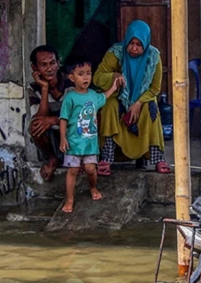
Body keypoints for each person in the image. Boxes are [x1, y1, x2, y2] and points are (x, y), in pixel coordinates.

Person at [93, 20, 170, 175]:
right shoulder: (115, 53)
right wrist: (113, 76)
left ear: (146, 44)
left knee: (152, 108)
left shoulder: (153, 57)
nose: (134, 48)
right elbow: (97, 78)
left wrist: (138, 103)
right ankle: (106, 158)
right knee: (109, 106)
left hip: (142, 99)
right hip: (118, 96)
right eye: (131, 43)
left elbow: (155, 89)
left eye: (139, 44)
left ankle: (157, 158)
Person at [59, 58, 119, 213]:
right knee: (72, 170)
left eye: (88, 73)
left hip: (90, 143)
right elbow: (63, 119)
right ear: (72, 78)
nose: (85, 77)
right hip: (73, 142)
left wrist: (113, 86)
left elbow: (104, 97)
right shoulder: (70, 98)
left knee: (91, 169)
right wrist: (63, 138)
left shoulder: (93, 95)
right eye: (81, 74)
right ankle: (70, 199)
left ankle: (93, 187)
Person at [27, 45, 73, 181]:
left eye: (53, 63)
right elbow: (39, 119)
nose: (50, 69)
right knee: (35, 127)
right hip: (54, 136)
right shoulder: (34, 88)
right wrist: (45, 89)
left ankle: (80, 159)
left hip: (73, 133)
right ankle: (53, 158)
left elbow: (81, 117)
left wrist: (53, 120)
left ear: (58, 63)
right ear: (35, 68)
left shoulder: (71, 82)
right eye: (44, 65)